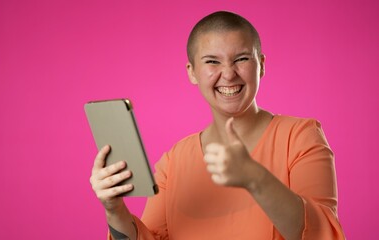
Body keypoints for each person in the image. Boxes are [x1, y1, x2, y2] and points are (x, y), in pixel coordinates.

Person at [90, 11, 345, 239]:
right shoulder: (175, 161)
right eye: (212, 61)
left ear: (262, 65)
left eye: (242, 59)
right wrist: (114, 210)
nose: (229, 74)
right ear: (192, 72)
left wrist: (255, 178)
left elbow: (322, 234)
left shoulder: (300, 136)